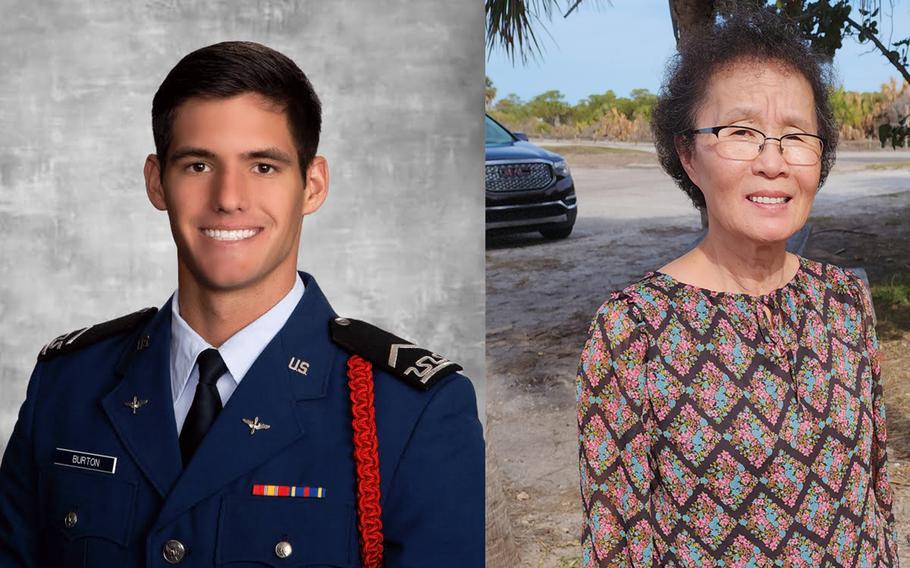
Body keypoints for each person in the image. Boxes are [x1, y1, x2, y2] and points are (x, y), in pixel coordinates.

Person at [0, 41, 484, 568]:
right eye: (198, 165)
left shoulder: (411, 412)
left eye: (264, 167)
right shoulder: (67, 386)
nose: (228, 197)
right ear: (156, 181)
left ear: (313, 185)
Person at [576, 8, 898, 566]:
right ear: (687, 154)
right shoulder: (632, 329)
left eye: (796, 136)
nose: (772, 163)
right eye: (741, 133)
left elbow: (874, 495)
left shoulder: (846, 303)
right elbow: (617, 543)